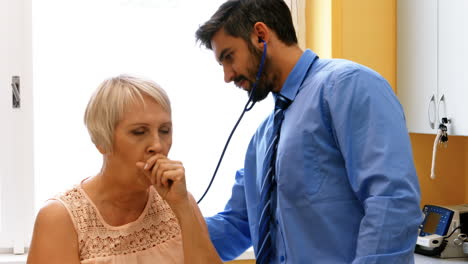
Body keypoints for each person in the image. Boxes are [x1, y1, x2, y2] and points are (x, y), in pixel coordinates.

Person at [195, 0, 423, 263]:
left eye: (228, 57)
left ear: (260, 35)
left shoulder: (347, 86)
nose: (227, 76)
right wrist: (160, 221)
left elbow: (392, 201)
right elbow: (237, 224)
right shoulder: (263, 137)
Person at [27, 75, 221, 264]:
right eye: (139, 132)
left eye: (164, 130)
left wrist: (183, 209)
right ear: (102, 141)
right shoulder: (60, 219)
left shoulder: (182, 202)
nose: (158, 145)